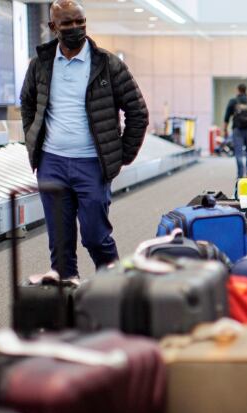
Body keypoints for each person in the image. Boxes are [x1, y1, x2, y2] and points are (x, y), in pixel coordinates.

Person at [20, 0, 148, 285]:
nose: (75, 28)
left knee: (95, 235)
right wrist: (34, 141)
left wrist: (121, 156)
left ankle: (113, 285)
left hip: (92, 163)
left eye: (80, 22)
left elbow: (137, 111)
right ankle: (66, 285)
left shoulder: (108, 64)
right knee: (60, 237)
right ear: (53, 27)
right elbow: (27, 103)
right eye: (67, 24)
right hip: (51, 163)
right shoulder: (41, 64)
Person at [223, 84, 247, 178]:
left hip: (237, 130)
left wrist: (225, 129)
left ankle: (240, 175)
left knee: (238, 153)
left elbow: (226, 117)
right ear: (246, 90)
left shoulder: (233, 101)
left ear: (237, 90)